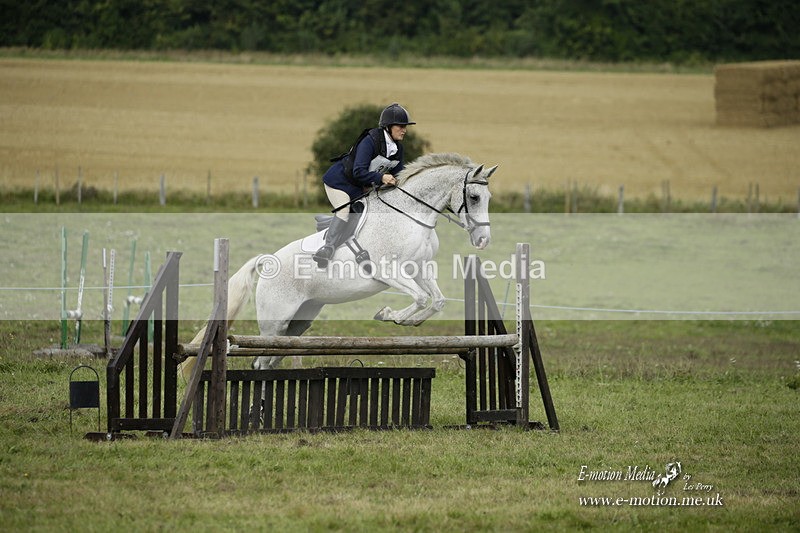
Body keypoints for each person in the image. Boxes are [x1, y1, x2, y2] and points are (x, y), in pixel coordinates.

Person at [312, 103, 416, 267]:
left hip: (359, 188)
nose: (404, 130)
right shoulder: (370, 141)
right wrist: (382, 178)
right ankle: (327, 249)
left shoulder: (397, 149)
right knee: (344, 211)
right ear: (388, 127)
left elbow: (398, 174)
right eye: (401, 126)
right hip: (339, 182)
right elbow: (358, 171)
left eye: (405, 127)